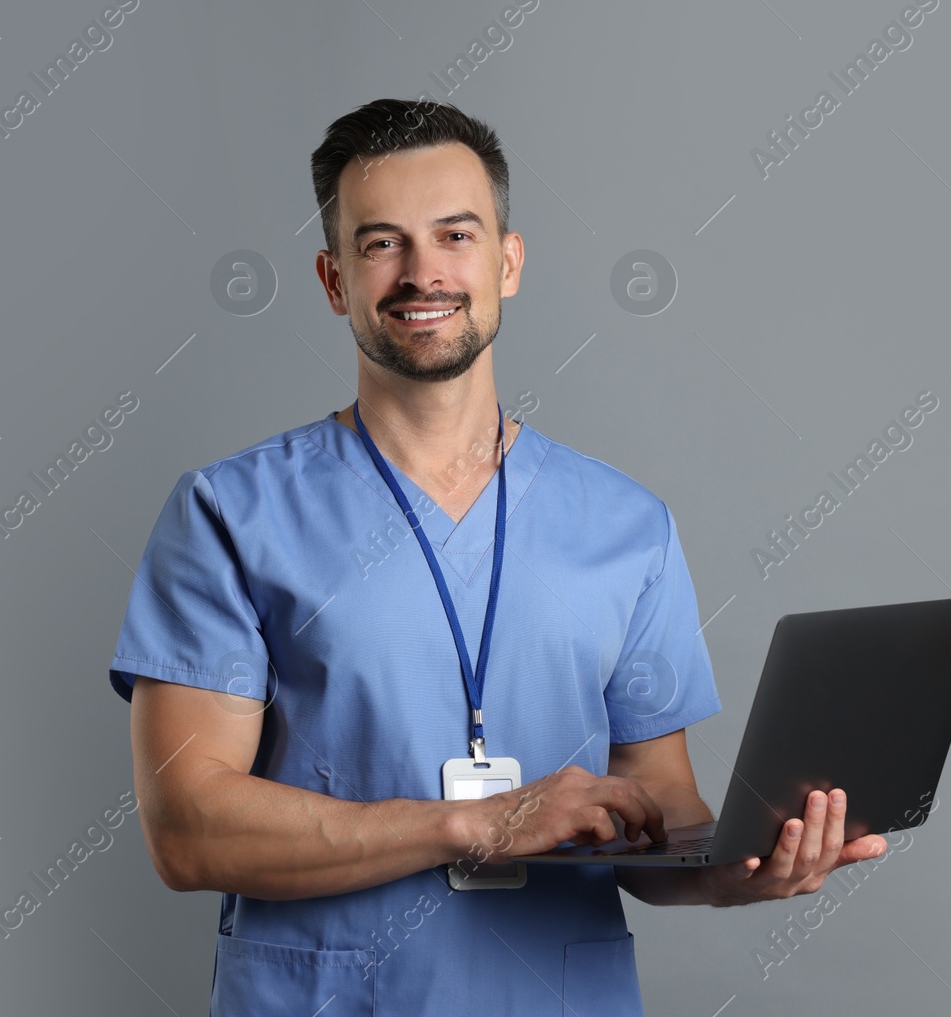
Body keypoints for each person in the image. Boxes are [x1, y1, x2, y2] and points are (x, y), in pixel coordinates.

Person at [108, 97, 887, 1016]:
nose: (423, 272)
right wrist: (473, 824)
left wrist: (736, 870)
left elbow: (655, 812)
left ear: (507, 262)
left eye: (455, 235)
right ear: (333, 280)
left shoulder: (625, 525)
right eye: (381, 244)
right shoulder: (230, 515)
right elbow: (187, 829)